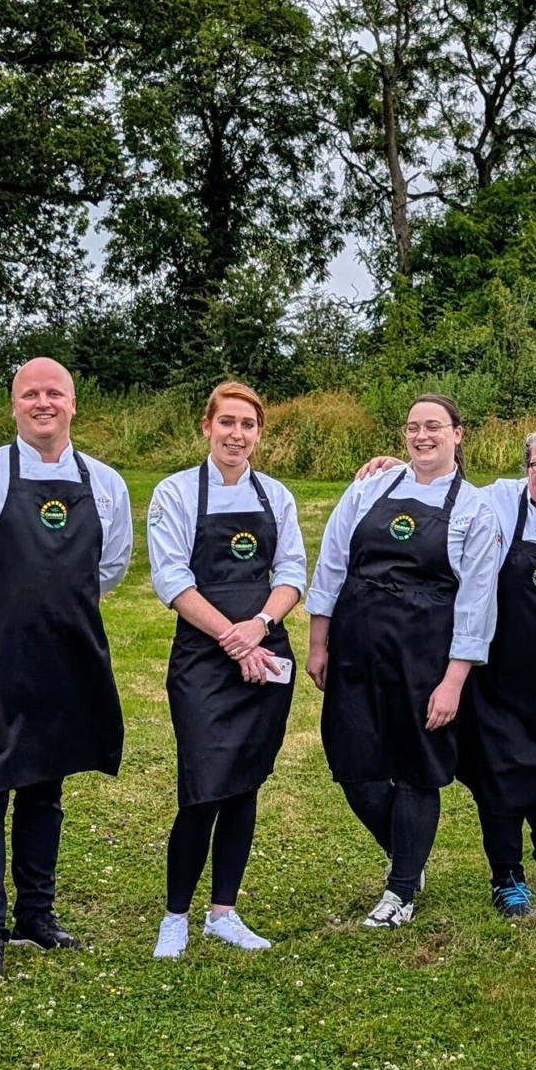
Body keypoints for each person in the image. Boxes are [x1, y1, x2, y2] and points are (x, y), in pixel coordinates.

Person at [0, 357, 132, 985]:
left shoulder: (106, 483)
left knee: (46, 787)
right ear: (13, 405)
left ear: (73, 403)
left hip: (64, 659)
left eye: (55, 392)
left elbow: (109, 567)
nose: (44, 402)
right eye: (30, 393)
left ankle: (38, 914)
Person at [355, 424, 536, 917]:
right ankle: (506, 873)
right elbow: (436, 477)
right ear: (525, 470)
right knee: (497, 773)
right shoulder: (499, 501)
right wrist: (397, 469)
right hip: (498, 664)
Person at [305, 394, 500, 929]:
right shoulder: (369, 487)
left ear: (458, 434)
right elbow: (332, 562)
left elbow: (477, 601)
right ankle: (407, 854)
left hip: (425, 656)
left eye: (434, 426)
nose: (422, 436)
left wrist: (454, 680)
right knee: (353, 764)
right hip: (358, 645)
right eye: (413, 427)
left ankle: (400, 890)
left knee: (416, 770)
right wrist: (319, 640)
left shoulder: (474, 508)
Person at [145, 381, 306, 959]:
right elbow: (171, 580)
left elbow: (291, 573)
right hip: (204, 659)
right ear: (207, 427)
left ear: (259, 434)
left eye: (248, 425)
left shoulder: (277, 496)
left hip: (266, 649)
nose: (237, 434)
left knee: (245, 782)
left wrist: (259, 627)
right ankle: (175, 917)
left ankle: (224, 913)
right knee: (202, 787)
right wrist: (232, 640)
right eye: (227, 423)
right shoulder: (176, 492)